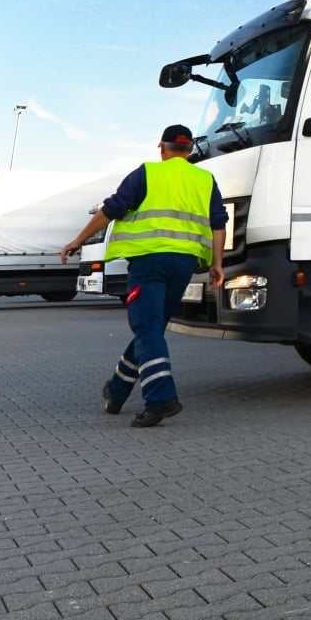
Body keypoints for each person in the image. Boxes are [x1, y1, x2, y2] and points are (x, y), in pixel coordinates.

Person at [61, 125, 227, 427]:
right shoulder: (205, 179)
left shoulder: (147, 173)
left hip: (149, 261)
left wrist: (77, 241)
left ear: (162, 147)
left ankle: (160, 398)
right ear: (190, 149)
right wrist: (217, 263)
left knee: (146, 327)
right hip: (185, 263)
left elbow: (110, 210)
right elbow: (218, 223)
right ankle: (116, 392)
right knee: (151, 329)